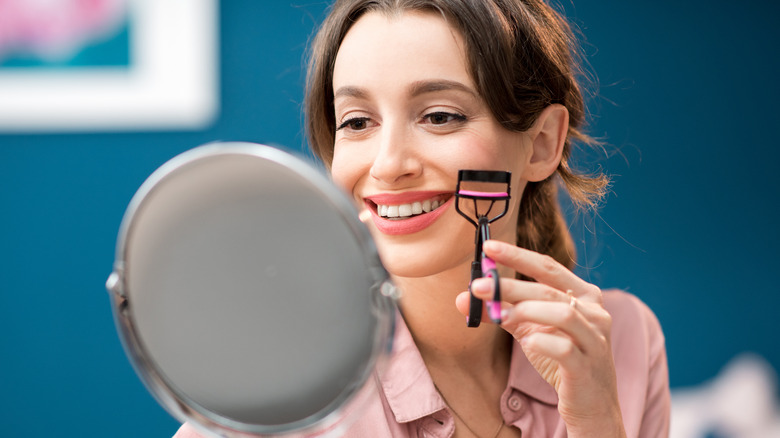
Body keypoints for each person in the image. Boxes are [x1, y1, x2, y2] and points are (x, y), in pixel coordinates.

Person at [175, 0, 670, 436]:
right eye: (357, 122)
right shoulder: (278, 396)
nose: (389, 165)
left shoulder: (623, 341)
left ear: (542, 144)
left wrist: (599, 426)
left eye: (439, 116)